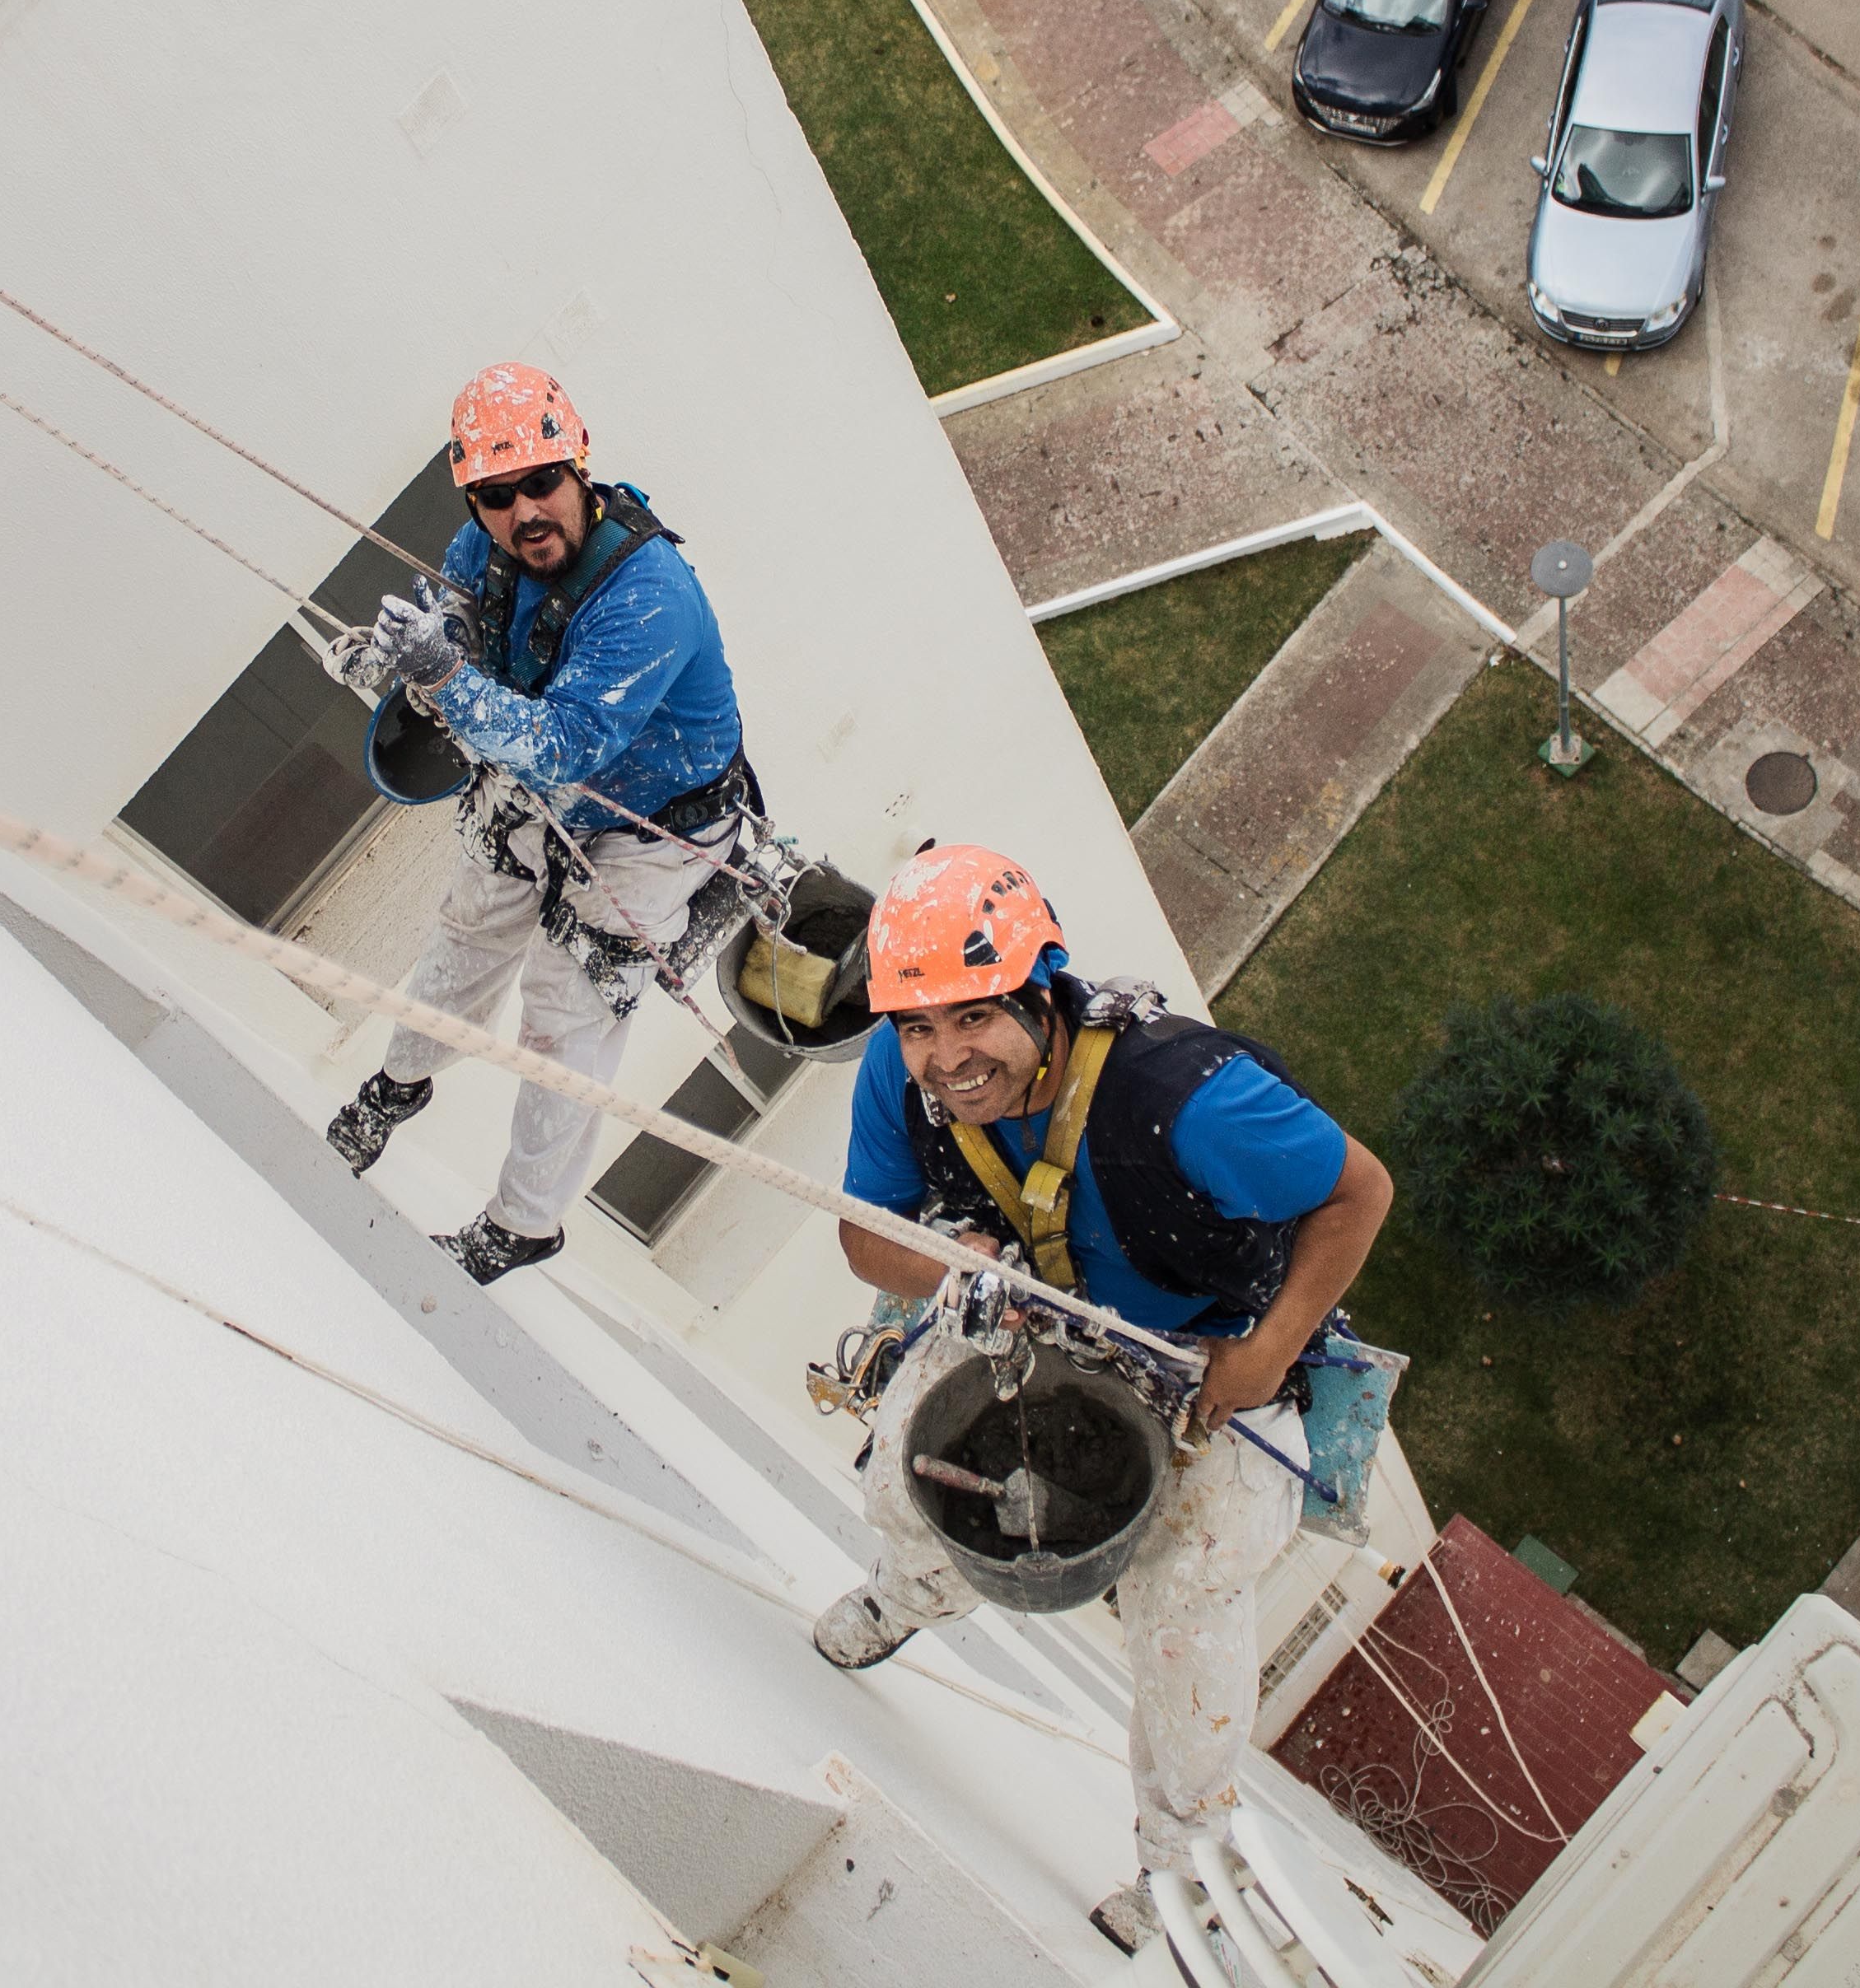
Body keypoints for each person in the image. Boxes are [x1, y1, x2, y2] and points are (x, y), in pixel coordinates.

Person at [807, 843, 1394, 1945]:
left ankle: (1183, 1867)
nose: (946, 1058)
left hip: (1206, 1368)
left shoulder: (1189, 1099)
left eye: (972, 1019)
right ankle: (908, 1598)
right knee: (907, 1475)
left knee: (1191, 1598)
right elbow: (862, 1240)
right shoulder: (901, 1076)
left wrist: (1268, 1353)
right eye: (920, 1027)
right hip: (1025, 1322)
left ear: (1040, 992)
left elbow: (1358, 1193)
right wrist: (957, 1271)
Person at [324, 362, 750, 1284]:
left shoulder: (649, 595)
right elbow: (465, 636)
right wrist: (407, 661)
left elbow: (567, 744)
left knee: (568, 1008)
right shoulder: (482, 553)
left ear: (580, 464)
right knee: (470, 927)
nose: (524, 511)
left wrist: (445, 678)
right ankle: (397, 1083)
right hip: (542, 778)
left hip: (655, 823)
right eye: (495, 495)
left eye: (541, 482)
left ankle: (524, 1222)